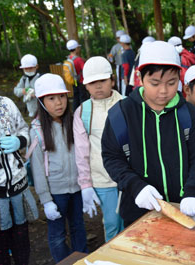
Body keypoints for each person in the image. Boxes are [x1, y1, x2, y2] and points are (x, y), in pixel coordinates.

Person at [101, 41, 195, 227]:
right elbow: (112, 157)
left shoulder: (188, 114)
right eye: (155, 83)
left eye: (171, 82)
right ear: (140, 78)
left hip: (183, 208)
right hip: (138, 211)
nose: (164, 91)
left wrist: (193, 191)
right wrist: (136, 186)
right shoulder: (121, 114)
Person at [0, 68, 38, 265]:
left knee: (21, 239)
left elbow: (24, 128)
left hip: (17, 185)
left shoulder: (5, 104)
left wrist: (20, 140)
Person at [30, 74, 88, 262]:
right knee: (57, 233)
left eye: (62, 96)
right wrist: (46, 200)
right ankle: (63, 261)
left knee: (78, 226)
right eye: (51, 98)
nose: (59, 103)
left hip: (77, 188)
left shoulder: (75, 121)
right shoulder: (37, 130)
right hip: (56, 192)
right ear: (41, 101)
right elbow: (37, 169)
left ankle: (81, 259)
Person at [73, 56, 124, 241]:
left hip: (129, 177)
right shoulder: (82, 112)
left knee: (132, 223)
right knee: (111, 223)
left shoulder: (127, 104)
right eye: (92, 83)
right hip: (102, 179)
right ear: (85, 86)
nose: (98, 86)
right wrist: (85, 184)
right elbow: (81, 152)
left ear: (112, 80)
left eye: (102, 80)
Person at [66, 39, 88, 110]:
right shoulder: (78, 60)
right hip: (81, 81)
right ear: (76, 49)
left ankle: (75, 110)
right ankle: (83, 110)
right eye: (78, 47)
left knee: (76, 96)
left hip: (74, 81)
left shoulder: (68, 58)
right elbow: (85, 69)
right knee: (83, 97)